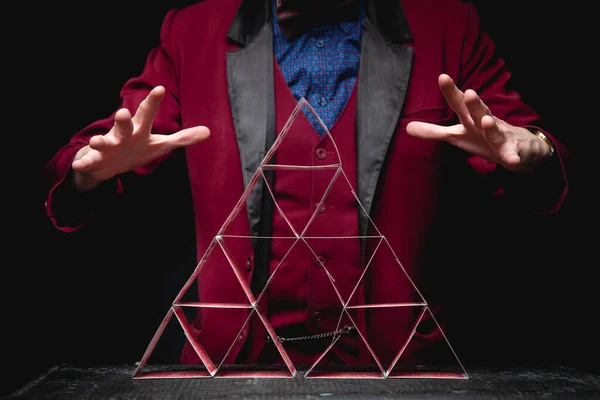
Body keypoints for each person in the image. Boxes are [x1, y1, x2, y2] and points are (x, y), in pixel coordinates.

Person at [40, 0, 572, 373]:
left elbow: (542, 157)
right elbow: (90, 154)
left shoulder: (449, 25)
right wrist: (88, 172)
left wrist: (534, 155)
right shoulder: (191, 30)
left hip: (401, 368)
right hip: (230, 371)